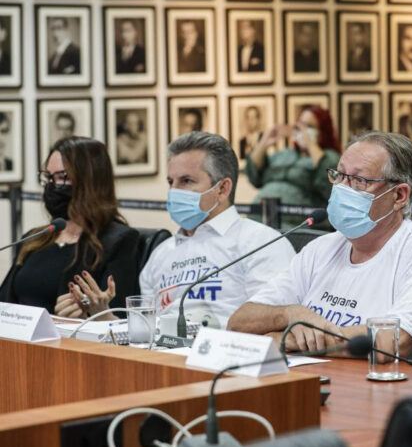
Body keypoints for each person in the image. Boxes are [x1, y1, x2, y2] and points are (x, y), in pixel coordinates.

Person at [228, 131, 412, 367]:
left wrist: (284, 339)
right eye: (339, 175)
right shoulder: (322, 248)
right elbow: (239, 322)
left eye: (359, 180)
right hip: (320, 382)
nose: (342, 188)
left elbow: (391, 342)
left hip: (407, 391)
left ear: (398, 196)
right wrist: (290, 314)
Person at [134, 132, 294, 328]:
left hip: (229, 345)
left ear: (222, 189)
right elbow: (146, 328)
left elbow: (276, 322)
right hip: (162, 346)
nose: (173, 191)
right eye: (170, 182)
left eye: (186, 181)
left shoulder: (261, 242)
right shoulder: (160, 254)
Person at [0, 137, 140, 317]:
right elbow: (5, 302)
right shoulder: (35, 238)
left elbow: (118, 314)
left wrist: (90, 314)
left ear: (90, 181)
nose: (51, 185)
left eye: (61, 177)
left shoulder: (118, 241)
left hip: (71, 334)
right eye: (48, 177)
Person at [246, 106, 341, 225]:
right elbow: (255, 175)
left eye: (309, 126)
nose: (303, 130)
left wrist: (310, 144)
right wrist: (264, 142)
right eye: (300, 125)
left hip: (294, 225)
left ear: (322, 131)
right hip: (260, 218)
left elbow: (331, 185)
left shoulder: (330, 156)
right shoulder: (285, 154)